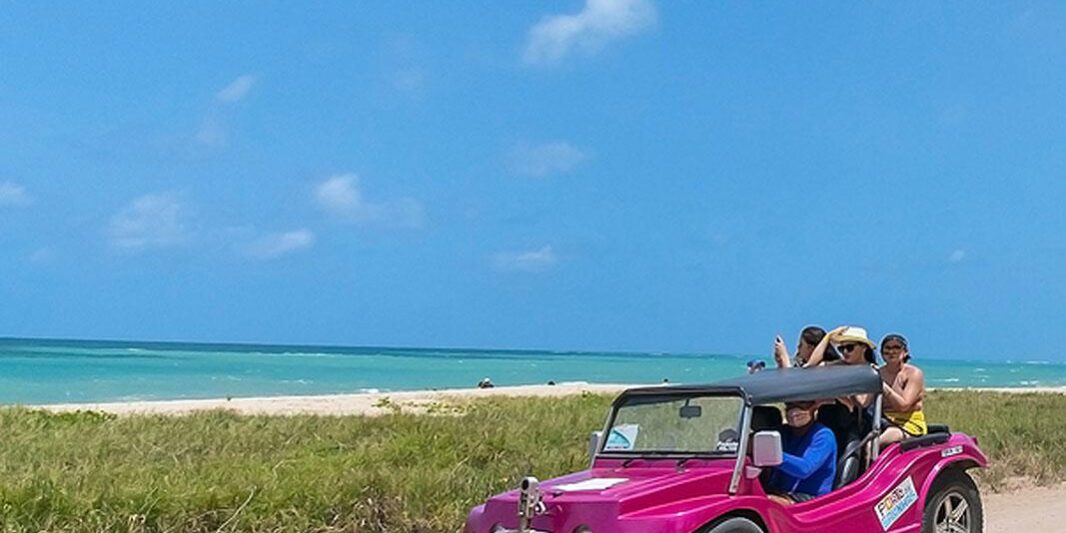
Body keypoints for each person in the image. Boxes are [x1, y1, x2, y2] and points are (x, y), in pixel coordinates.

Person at [766, 401, 838, 505]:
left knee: (765, 502)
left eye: (801, 403)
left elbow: (804, 469)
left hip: (812, 499)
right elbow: (756, 440)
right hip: (782, 491)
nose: (794, 410)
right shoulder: (784, 432)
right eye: (789, 405)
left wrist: (774, 455)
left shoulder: (823, 436)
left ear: (813, 407)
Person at [878, 334, 927, 446]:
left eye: (896, 347)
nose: (891, 352)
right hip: (882, 421)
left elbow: (903, 406)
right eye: (887, 348)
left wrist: (884, 387)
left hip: (907, 425)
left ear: (905, 352)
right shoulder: (878, 373)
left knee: (874, 444)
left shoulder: (913, 373)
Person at [772, 326, 841, 368]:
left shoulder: (826, 366)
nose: (798, 347)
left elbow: (792, 382)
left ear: (810, 348)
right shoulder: (800, 363)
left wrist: (784, 358)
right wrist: (780, 363)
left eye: (801, 344)